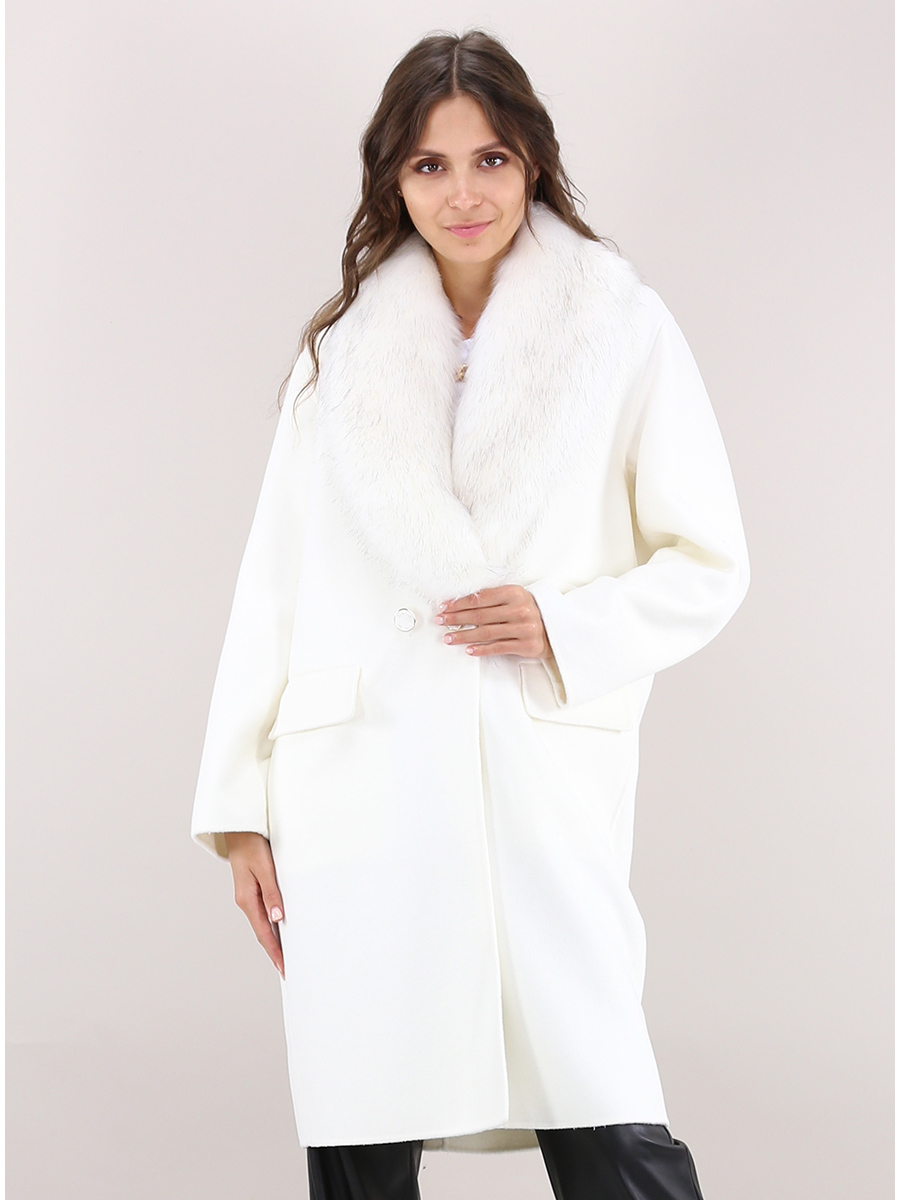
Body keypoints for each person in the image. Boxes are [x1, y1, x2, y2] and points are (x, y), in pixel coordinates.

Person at [191, 28, 750, 1200]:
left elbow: (709, 562)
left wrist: (564, 625)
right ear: (393, 179)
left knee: (599, 1098)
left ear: (533, 161)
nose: (464, 194)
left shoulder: (620, 331)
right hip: (356, 783)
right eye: (430, 166)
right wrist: (239, 812)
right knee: (362, 1117)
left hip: (533, 775)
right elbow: (272, 588)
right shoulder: (339, 360)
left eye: (490, 159)